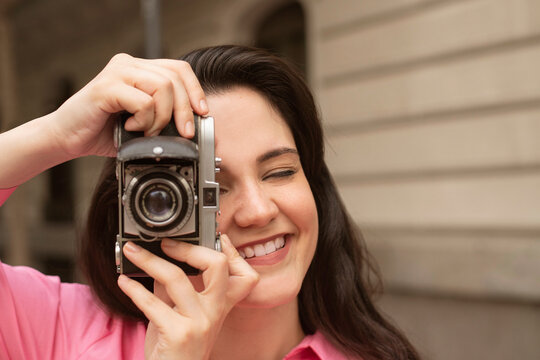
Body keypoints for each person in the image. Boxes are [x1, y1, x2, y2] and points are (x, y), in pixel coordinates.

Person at [0, 45, 420, 360]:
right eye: (213, 187)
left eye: (280, 172)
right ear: (144, 207)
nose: (258, 210)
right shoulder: (58, 328)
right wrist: (55, 135)